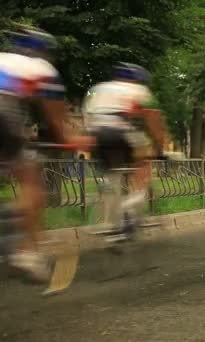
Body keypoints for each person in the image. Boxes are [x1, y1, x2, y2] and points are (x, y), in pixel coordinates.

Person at [0, 25, 91, 281]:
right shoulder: (42, 69)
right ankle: (28, 255)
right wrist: (75, 141)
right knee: (32, 183)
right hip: (4, 112)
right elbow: (59, 126)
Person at [83, 62, 167, 236]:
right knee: (144, 161)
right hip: (119, 132)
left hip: (98, 136)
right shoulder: (138, 90)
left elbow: (87, 118)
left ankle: (108, 218)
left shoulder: (98, 89)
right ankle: (131, 203)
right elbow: (154, 121)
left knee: (112, 174)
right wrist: (159, 149)